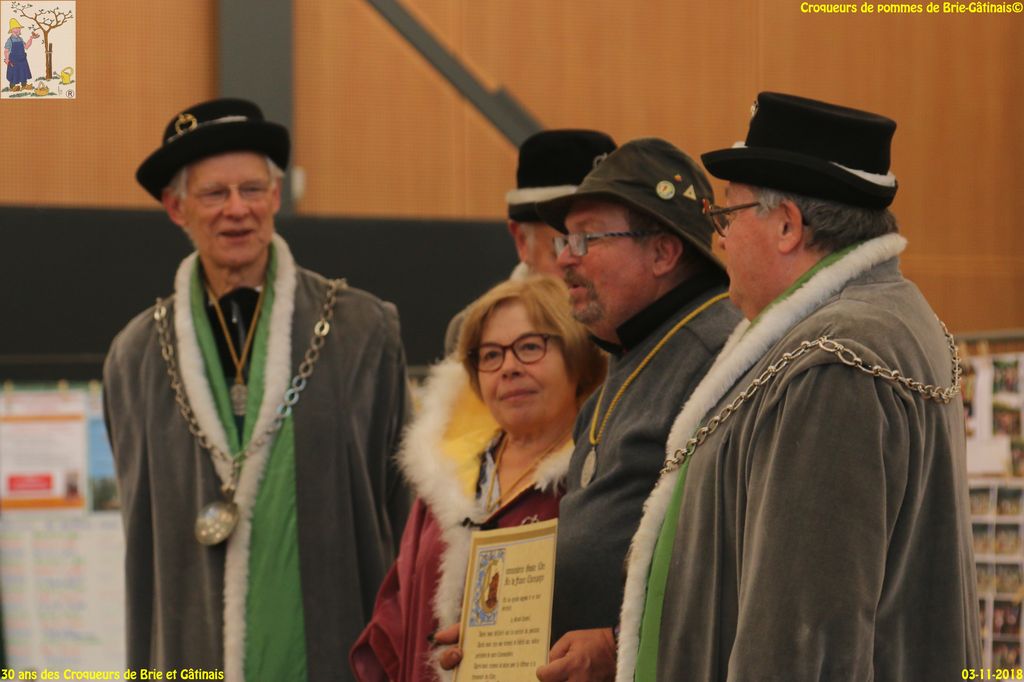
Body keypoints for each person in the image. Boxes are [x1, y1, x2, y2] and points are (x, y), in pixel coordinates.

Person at [616, 92, 982, 681]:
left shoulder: (835, 362)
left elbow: (805, 635)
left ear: (787, 225)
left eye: (726, 217)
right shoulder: (876, 319)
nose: (719, 241)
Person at [104, 98, 411, 681]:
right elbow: (141, 543)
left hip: (339, 653)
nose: (237, 210)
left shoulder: (361, 331)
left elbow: (403, 510)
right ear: (176, 207)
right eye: (214, 194)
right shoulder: (136, 356)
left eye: (252, 189)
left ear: (275, 196)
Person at [528, 138, 742, 681]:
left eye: (588, 238)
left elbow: (733, 556)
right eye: (565, 239)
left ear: (663, 253)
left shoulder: (718, 357)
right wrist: (500, 635)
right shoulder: (630, 349)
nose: (565, 258)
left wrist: (618, 642)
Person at [351, 275, 606, 681]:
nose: (508, 368)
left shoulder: (599, 474)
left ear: (576, 355)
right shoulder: (448, 476)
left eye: (529, 347)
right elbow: (396, 619)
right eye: (490, 355)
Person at [443, 129, 616, 355]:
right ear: (522, 241)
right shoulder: (476, 333)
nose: (585, 266)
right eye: (564, 247)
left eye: (598, 245)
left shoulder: (646, 331)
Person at [4, 19, 36, 92]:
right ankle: (12, 87)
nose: (18, 29)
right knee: (14, 73)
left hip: (22, 60)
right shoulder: (10, 40)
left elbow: (26, 46)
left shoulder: (20, 39)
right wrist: (7, 59)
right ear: (12, 30)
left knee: (23, 72)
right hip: (14, 61)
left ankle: (24, 85)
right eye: (16, 28)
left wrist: (31, 38)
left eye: (19, 28)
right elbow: (6, 51)